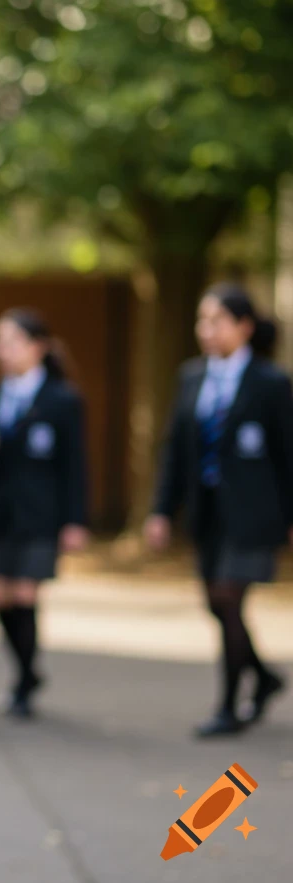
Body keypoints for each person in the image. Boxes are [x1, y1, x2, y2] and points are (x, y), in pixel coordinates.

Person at [144, 284, 291, 738]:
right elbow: (175, 450)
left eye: (216, 321)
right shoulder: (192, 377)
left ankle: (229, 705)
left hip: (252, 512)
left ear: (244, 327)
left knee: (229, 597)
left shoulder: (270, 383)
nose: (206, 331)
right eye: (201, 321)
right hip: (207, 511)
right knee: (215, 601)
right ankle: (263, 678)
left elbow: (288, 455)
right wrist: (161, 510)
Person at [0, 308, 89, 719]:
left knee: (25, 593)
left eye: (12, 341)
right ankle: (27, 670)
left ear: (38, 347)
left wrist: (75, 520)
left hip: (41, 513)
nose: (2, 351)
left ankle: (22, 684)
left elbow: (75, 463)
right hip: (0, 511)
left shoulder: (62, 399)